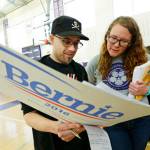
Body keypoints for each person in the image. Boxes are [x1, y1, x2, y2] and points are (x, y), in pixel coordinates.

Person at [21, 15, 91, 150]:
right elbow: (29, 115)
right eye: (66, 41)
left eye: (76, 43)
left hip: (79, 144)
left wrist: (80, 128)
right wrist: (56, 127)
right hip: (48, 144)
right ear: (52, 39)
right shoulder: (35, 70)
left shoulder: (79, 70)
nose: (72, 49)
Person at [86, 16, 150, 150]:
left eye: (123, 41)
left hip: (141, 120)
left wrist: (147, 91)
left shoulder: (145, 60)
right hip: (112, 121)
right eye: (113, 38)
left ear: (132, 43)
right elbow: (86, 90)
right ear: (107, 36)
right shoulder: (96, 62)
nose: (116, 45)